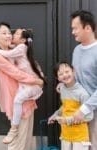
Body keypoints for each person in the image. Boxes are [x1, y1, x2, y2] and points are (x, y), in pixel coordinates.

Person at [0, 22, 44, 150]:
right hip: (17, 99)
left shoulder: (13, 50)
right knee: (18, 143)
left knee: (26, 139)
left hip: (26, 96)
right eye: (3, 33)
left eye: (9, 32)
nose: (8, 35)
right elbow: (16, 73)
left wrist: (39, 75)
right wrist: (36, 81)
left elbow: (30, 62)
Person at [48, 61, 93, 150]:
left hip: (80, 136)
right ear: (58, 78)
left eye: (67, 71)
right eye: (61, 74)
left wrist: (67, 120)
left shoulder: (82, 93)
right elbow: (65, 106)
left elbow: (89, 116)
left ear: (73, 71)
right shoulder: (63, 89)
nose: (65, 75)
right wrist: (55, 115)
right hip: (66, 134)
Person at [69, 10, 97, 150]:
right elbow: (78, 76)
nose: (73, 32)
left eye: (75, 28)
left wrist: (85, 109)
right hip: (77, 109)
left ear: (88, 28)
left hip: (93, 112)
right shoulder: (77, 50)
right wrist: (66, 83)